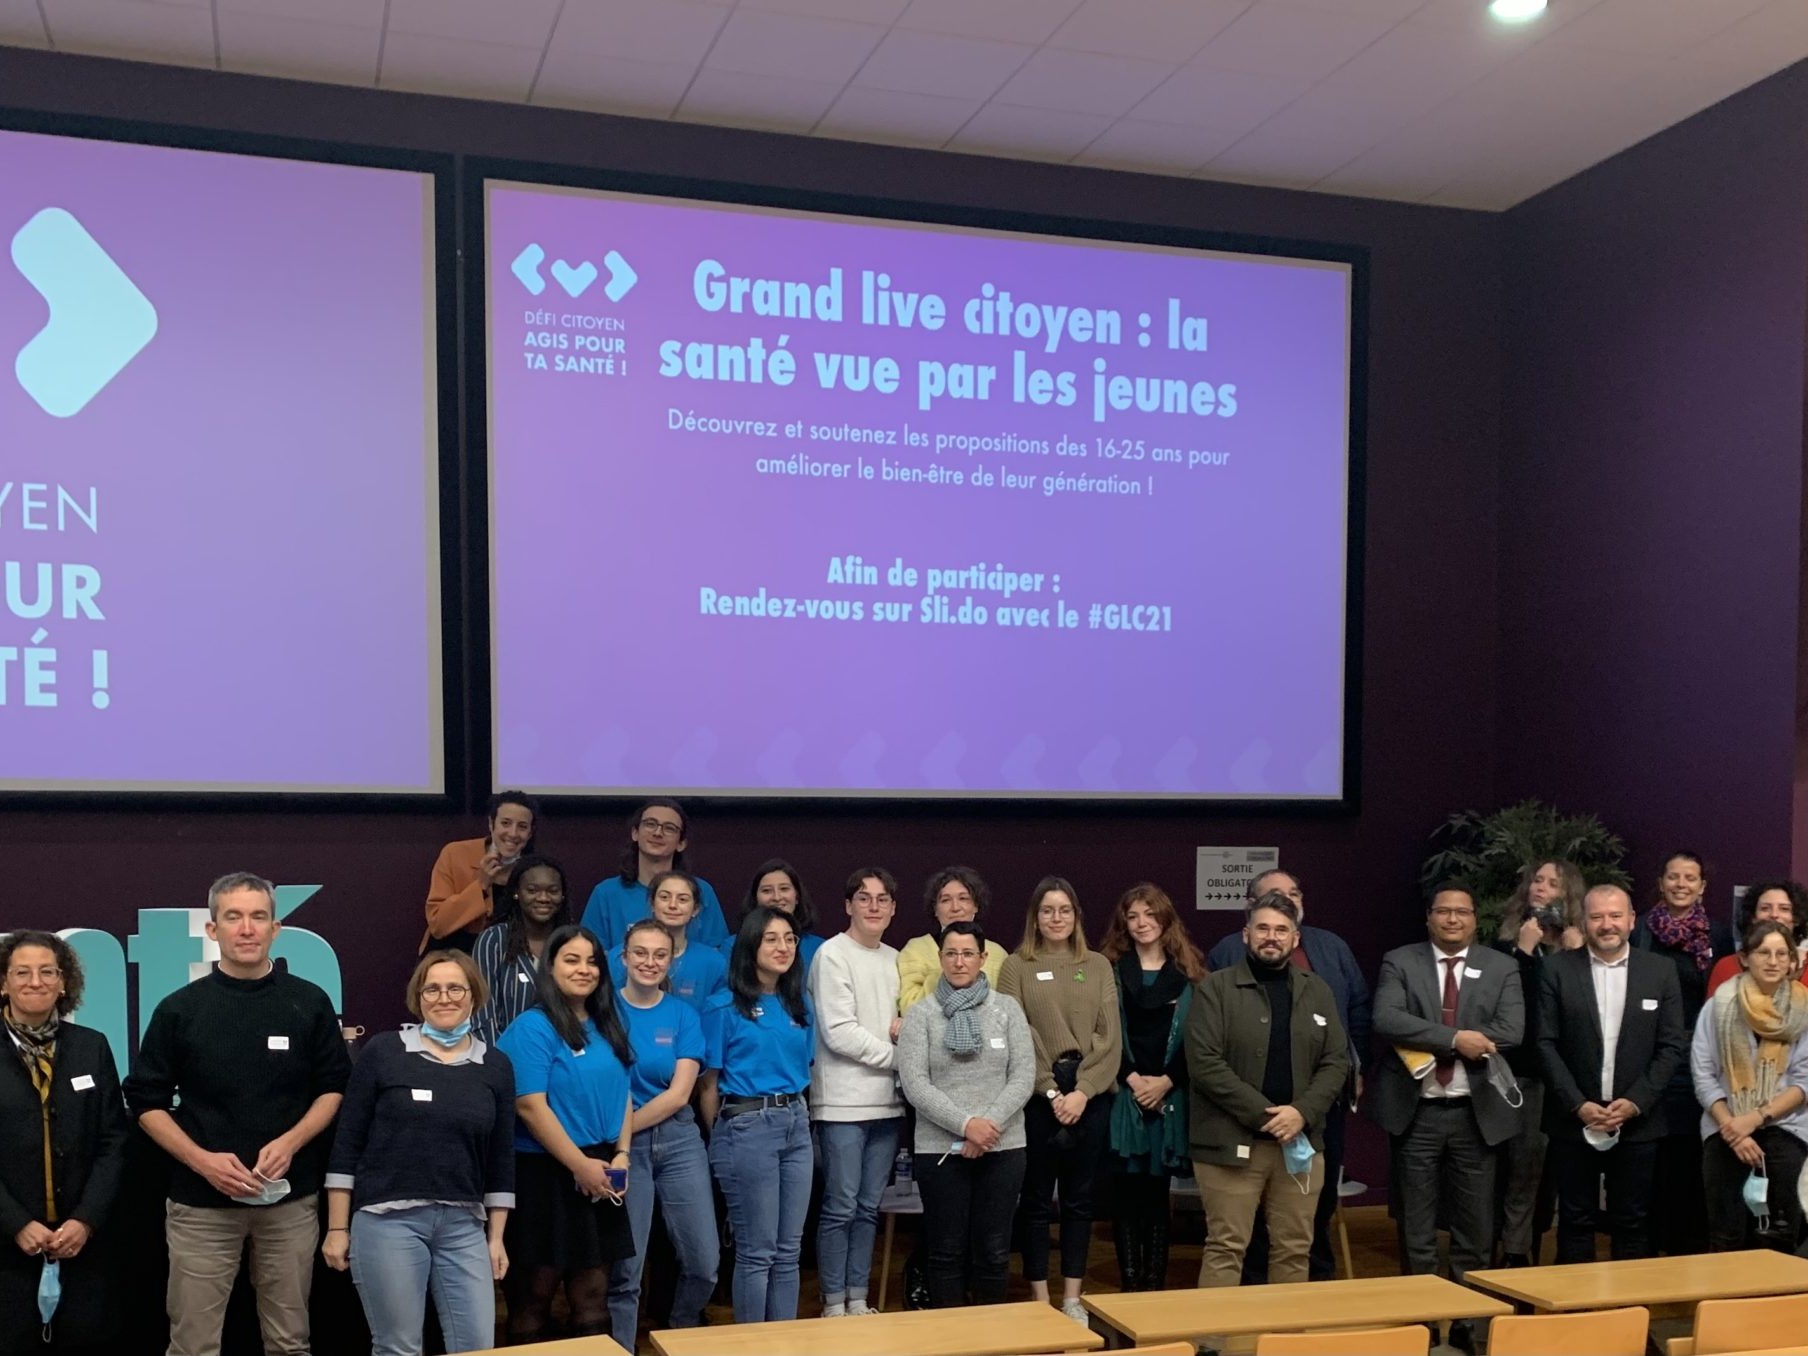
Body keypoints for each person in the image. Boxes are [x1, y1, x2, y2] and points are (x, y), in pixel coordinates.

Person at [123, 871, 352, 1356]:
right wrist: (201, 1161)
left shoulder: (308, 1002)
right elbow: (146, 1102)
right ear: (212, 929)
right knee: (193, 1345)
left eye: (258, 917)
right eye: (233, 917)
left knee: (290, 1343)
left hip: (288, 1203)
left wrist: (291, 1142)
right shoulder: (179, 1010)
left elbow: (333, 1088)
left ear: (275, 928)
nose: (246, 928)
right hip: (201, 1206)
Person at [322, 951, 515, 1356]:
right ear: (418, 997)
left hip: (463, 1225)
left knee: (478, 1347)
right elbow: (347, 1142)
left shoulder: (495, 1065)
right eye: (433, 989)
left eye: (455, 988)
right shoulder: (384, 1052)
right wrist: (337, 1229)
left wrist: (496, 1238)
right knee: (399, 1347)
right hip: (387, 1222)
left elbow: (500, 1158)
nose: (444, 998)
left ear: (474, 995)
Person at [1370, 884, 1523, 1356]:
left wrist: (1432, 1036)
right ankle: (1420, 1328)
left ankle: (1466, 1327)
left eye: (1462, 912)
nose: (1453, 919)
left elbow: (1511, 1031)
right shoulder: (1401, 961)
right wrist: (1457, 1040)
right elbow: (1387, 1018)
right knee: (1416, 1234)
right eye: (1443, 911)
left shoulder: (1501, 966)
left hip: (1475, 1117)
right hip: (1417, 1114)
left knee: (1474, 1235)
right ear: (1429, 917)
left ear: (1475, 919)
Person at [1207, 868, 1369, 1282]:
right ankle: (1227, 1324)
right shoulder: (1218, 982)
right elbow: (1205, 1061)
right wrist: (1267, 1114)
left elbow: (1337, 1054)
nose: (1272, 935)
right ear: (1247, 931)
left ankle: (1298, 1316)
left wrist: (1301, 1112)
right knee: (1229, 1245)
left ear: (1295, 937)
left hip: (1307, 1130)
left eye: (1282, 927)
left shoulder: (1319, 982)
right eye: (1263, 927)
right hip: (1237, 1134)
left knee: (1298, 1243)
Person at [495, 925, 635, 1345]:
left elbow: (623, 1093)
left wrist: (622, 1153)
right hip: (545, 1174)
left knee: (593, 1296)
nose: (584, 969)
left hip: (602, 1168)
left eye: (592, 961)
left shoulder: (609, 1021)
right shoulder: (532, 1027)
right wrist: (578, 1165)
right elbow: (529, 1105)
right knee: (533, 1299)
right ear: (549, 968)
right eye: (571, 960)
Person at [1538, 884, 1687, 1262]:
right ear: (1583, 921)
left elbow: (1671, 1046)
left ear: (1632, 920)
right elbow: (1544, 1043)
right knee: (1574, 1220)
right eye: (1597, 916)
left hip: (1638, 1121)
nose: (1607, 924)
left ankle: (1629, 1303)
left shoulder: (1660, 971)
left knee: (1633, 1222)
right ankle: (1574, 1301)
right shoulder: (1556, 969)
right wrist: (1577, 1104)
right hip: (1573, 1119)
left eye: (1616, 915)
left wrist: (1636, 1102)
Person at [997, 877, 1119, 1326]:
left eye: (1064, 910)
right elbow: (1017, 1034)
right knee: (1034, 1200)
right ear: (1035, 917)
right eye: (1047, 910)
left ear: (1076, 916)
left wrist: (1083, 1091)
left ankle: (1072, 1298)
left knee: (1079, 1201)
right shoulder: (1015, 966)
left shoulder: (1098, 965)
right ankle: (1038, 1299)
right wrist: (1051, 1090)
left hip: (1089, 1096)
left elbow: (1110, 1037)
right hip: (1037, 1097)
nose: (1056, 918)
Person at [0, 931, 127, 1355]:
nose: (35, 981)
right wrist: (15, 1223)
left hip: (82, 1246)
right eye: (22, 972)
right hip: (7, 1246)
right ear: (4, 983)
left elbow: (113, 1141)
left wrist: (86, 1219)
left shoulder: (91, 1047)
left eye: (47, 972)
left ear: (63, 983)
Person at [896, 920, 1034, 1308]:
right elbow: (915, 1085)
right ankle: (951, 1337)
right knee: (945, 1253)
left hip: (1003, 1147)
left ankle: (991, 1337)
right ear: (941, 958)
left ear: (983, 958)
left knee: (994, 1253)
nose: (959, 962)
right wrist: (966, 1126)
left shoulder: (1007, 1009)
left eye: (968, 953)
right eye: (951, 953)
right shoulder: (921, 1015)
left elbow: (1024, 1075)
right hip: (940, 1151)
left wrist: (986, 1127)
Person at [699, 905, 814, 1323]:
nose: (783, 947)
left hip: (796, 1122)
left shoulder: (799, 1003)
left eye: (790, 939)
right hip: (747, 1125)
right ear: (750, 945)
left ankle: (783, 1342)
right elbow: (707, 1084)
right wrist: (722, 1137)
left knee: (789, 1251)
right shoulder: (723, 1007)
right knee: (757, 1251)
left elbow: (805, 1065)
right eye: (771, 939)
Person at [605, 921, 718, 1345]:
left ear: (670, 961)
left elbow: (679, 1094)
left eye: (659, 954)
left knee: (705, 1264)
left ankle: (681, 1332)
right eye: (640, 953)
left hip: (678, 1142)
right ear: (624, 958)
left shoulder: (683, 1014)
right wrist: (620, 1142)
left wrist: (623, 1129)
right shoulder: (604, 1013)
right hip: (624, 1152)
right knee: (626, 1272)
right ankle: (622, 1347)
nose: (649, 962)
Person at [1097, 883, 1203, 1292]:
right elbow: (1103, 1033)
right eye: (1133, 916)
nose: (1142, 923)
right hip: (1124, 1093)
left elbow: (1198, 1039)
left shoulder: (1189, 974)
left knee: (1158, 1194)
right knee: (1125, 1193)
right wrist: (1133, 1079)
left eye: (1150, 914)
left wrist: (1166, 1082)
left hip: (1168, 1095)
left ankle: (1154, 1284)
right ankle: (1130, 1283)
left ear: (1165, 918)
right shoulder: (1109, 971)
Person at [809, 868, 904, 1318]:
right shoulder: (831, 955)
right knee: (841, 1206)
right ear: (848, 906)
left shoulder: (896, 959)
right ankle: (833, 1302)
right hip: (842, 1105)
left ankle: (858, 1298)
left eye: (882, 899)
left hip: (888, 1104)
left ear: (893, 908)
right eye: (863, 898)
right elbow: (839, 1032)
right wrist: (900, 1058)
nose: (873, 906)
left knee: (868, 1208)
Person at [1631, 851, 1736, 1256]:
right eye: (1673, 877)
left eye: (1690, 878)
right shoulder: (1639, 930)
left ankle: (1686, 1248)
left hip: (1697, 1057)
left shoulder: (1718, 935)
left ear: (1702, 886)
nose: (1681, 885)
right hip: (1646, 1055)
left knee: (1690, 1151)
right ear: (1661, 883)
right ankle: (1649, 1246)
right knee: (1650, 1152)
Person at [1692, 920, 1808, 1252]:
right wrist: (1735, 1129)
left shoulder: (1804, 1010)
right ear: (1745, 958)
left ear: (1792, 961)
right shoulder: (1718, 1006)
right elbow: (1703, 1074)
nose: (1773, 961)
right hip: (1724, 1126)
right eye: (1763, 952)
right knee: (1726, 1237)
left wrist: (1755, 1118)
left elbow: (1804, 1081)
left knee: (1780, 1237)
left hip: (1786, 1127)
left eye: (1781, 954)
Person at [1492, 858, 1585, 1267]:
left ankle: (1535, 1246)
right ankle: (1513, 1251)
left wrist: (1578, 958)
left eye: (1552, 883)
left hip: (1568, 1079)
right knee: (1520, 1167)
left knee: (1550, 1173)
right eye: (1537, 881)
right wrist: (1525, 953)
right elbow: (1517, 1012)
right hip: (1522, 1076)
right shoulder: (1505, 948)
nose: (1540, 888)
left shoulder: (1580, 950)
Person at [580, 799, 728, 950]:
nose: (657, 833)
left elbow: (716, 952)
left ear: (681, 843)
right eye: (650, 824)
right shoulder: (605, 893)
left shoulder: (702, 891)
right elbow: (591, 953)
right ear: (635, 833)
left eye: (669, 828)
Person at [470, 854, 573, 1046]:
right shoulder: (494, 940)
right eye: (532, 890)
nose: (543, 898)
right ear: (516, 893)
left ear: (562, 895)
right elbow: (483, 1016)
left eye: (552, 891)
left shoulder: (573, 942)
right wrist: (499, 1060)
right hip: (504, 1056)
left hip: (565, 1056)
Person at [423, 790, 539, 954]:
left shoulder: (534, 870)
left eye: (522, 827)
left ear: (530, 833)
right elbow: (438, 925)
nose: (513, 833)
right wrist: (481, 885)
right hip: (449, 955)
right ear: (491, 824)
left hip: (503, 960)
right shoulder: (454, 854)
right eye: (505, 823)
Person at [607, 870, 727, 1013]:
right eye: (664, 897)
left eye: (682, 899)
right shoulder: (618, 958)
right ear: (652, 904)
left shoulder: (714, 963)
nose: (672, 905)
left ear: (695, 909)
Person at [898, 867, 1009, 1013]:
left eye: (963, 898)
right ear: (935, 909)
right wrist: (946, 972)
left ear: (976, 906)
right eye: (946, 900)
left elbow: (1006, 1007)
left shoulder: (997, 954)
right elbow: (908, 1008)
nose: (955, 907)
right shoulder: (915, 950)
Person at [722, 860, 824, 978]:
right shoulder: (732, 946)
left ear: (797, 897)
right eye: (767, 891)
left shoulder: (821, 948)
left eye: (784, 889)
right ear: (755, 899)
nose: (776, 897)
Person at [1706, 880, 1808, 997]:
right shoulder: (1727, 966)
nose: (1774, 914)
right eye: (1765, 908)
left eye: (1784, 909)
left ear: (1797, 918)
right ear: (1753, 917)